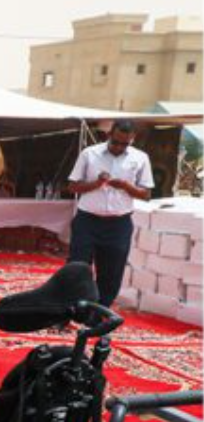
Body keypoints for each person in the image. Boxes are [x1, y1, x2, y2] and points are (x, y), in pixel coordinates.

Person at [65, 119, 153, 307]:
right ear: (108, 136)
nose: (119, 147)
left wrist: (126, 186)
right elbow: (72, 187)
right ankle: (69, 309)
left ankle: (99, 313)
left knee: (111, 272)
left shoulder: (140, 158)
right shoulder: (89, 154)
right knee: (77, 268)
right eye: (116, 142)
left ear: (132, 140)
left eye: (125, 144)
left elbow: (146, 194)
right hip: (87, 221)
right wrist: (96, 184)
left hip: (118, 224)